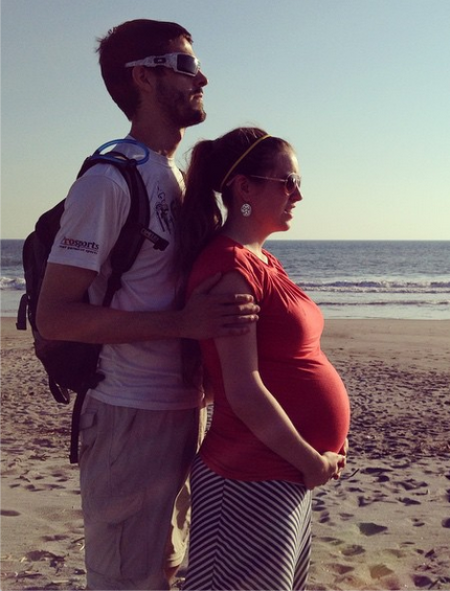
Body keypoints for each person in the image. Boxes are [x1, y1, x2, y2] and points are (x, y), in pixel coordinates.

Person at [36, 20, 259, 591]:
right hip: (127, 412)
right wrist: (181, 325)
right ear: (142, 79)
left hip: (182, 410)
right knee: (124, 579)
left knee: (162, 570)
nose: (200, 77)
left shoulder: (175, 178)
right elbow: (55, 315)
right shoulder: (110, 179)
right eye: (184, 67)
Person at [178, 127, 351, 591]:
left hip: (281, 475)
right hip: (249, 481)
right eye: (288, 181)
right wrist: (310, 460)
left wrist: (319, 453)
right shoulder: (231, 268)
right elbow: (245, 390)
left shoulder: (262, 260)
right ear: (245, 187)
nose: (298, 193)